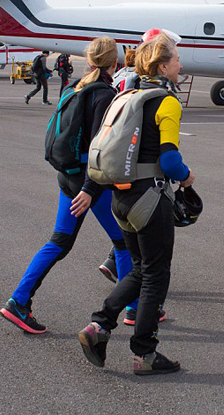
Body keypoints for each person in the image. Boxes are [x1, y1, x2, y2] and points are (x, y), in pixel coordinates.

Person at [0, 37, 140, 333]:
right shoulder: (104, 94)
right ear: (114, 62)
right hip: (90, 182)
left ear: (88, 61)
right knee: (124, 243)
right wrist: (90, 189)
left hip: (68, 175)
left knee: (59, 242)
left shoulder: (75, 87)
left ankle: (18, 301)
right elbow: (99, 147)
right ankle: (134, 308)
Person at [79, 31, 193, 376]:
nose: (180, 65)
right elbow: (170, 160)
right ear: (162, 66)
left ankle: (99, 324)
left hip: (121, 198)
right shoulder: (167, 102)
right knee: (157, 276)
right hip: (150, 199)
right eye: (176, 59)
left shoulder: (128, 94)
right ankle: (144, 354)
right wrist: (187, 177)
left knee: (140, 269)